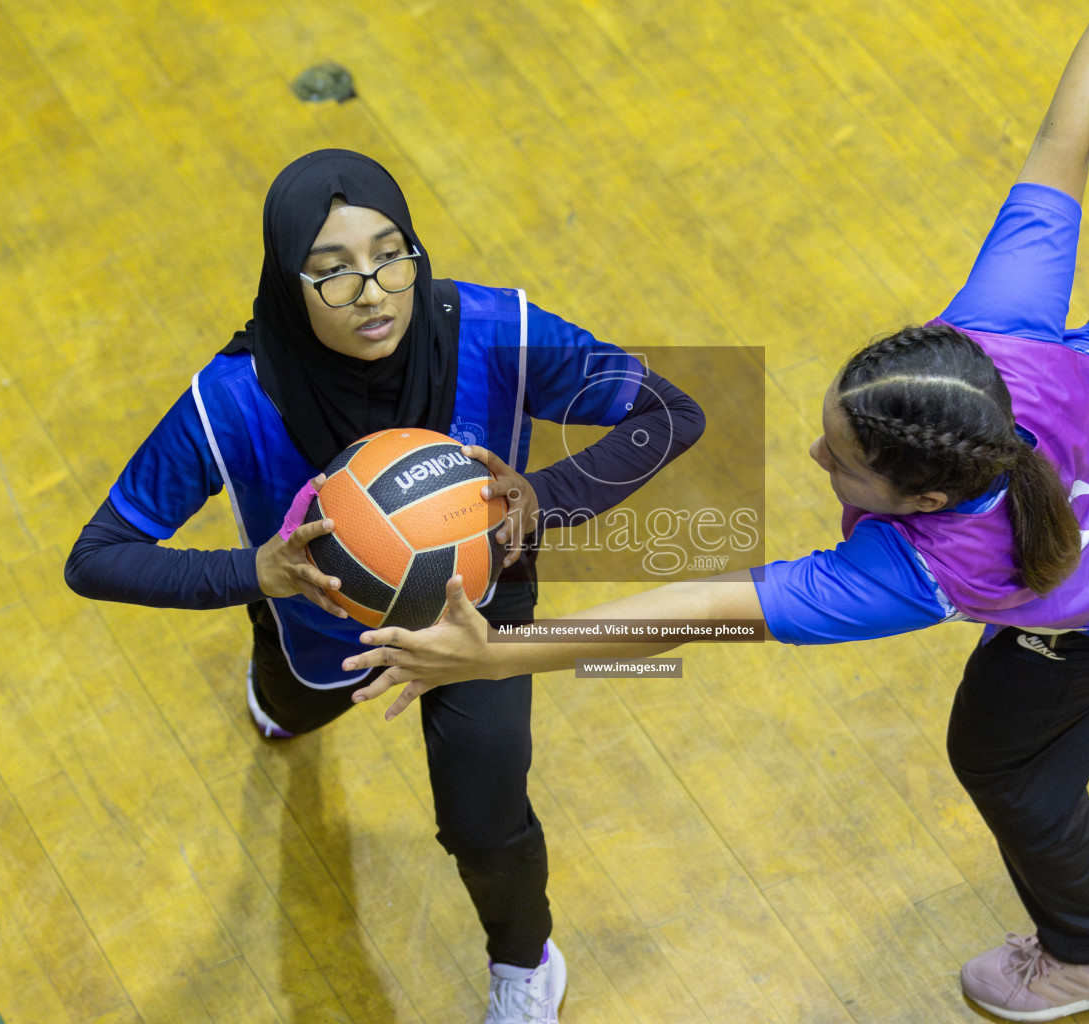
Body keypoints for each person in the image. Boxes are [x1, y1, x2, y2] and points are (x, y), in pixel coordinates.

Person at [336, 1, 1089, 1020]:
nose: (813, 460)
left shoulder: (919, 570)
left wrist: (492, 659)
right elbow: (1070, 135)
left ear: (923, 498)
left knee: (1002, 761)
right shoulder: (998, 336)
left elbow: (692, 612)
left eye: (843, 468)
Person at [64, 149, 705, 1024]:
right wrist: (255, 572)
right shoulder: (233, 395)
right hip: (317, 613)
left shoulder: (495, 327)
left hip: (478, 610)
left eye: (390, 256)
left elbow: (672, 410)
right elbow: (96, 555)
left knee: (483, 821)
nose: (371, 291)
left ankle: (525, 963)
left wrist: (540, 497)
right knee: (292, 704)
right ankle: (284, 692)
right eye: (331, 274)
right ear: (288, 284)